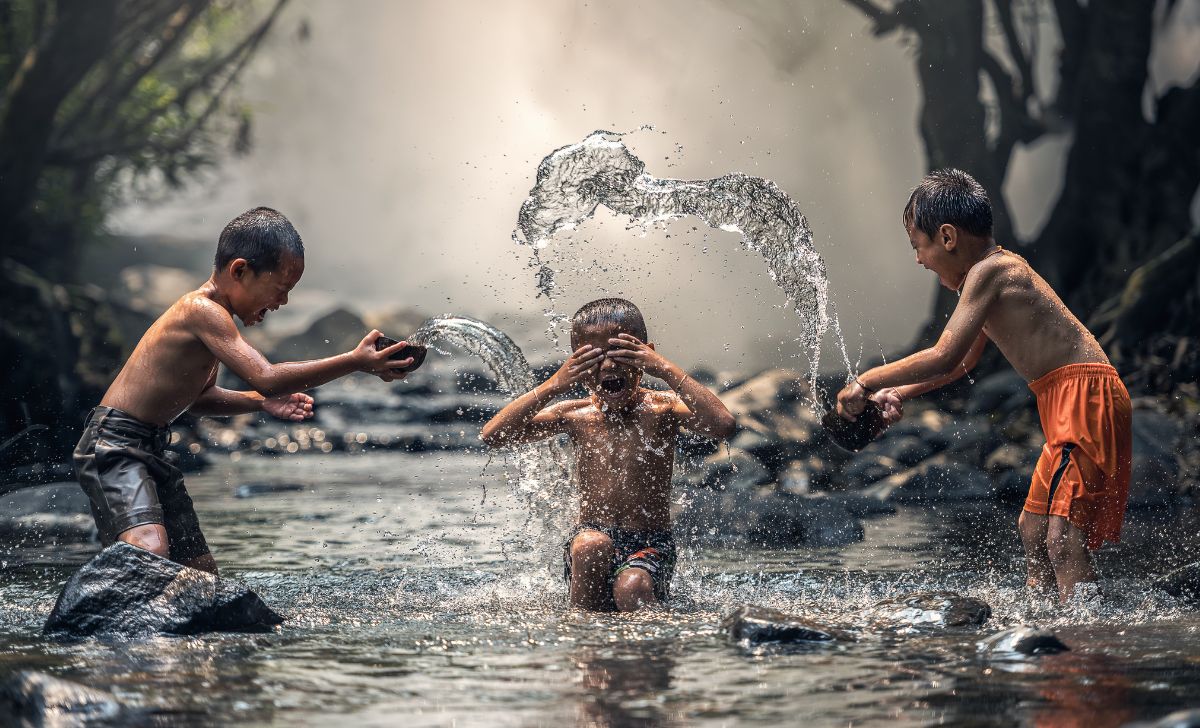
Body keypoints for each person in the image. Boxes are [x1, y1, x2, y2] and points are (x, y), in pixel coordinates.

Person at [835, 169, 1131, 603]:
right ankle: (1044, 625)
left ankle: (1087, 647)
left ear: (948, 237)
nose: (918, 259)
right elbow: (960, 366)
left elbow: (943, 354)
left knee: (1063, 538)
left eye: (919, 246)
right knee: (1033, 529)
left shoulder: (993, 270)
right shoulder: (987, 278)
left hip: (1085, 399)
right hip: (1067, 400)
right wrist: (899, 393)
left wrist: (864, 382)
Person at [73, 207, 414, 575]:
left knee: (201, 574)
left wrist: (260, 403)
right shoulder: (200, 310)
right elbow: (266, 375)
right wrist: (354, 360)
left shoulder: (215, 321)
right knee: (150, 548)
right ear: (240, 271)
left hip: (151, 448)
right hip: (115, 445)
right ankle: (96, 615)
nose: (282, 303)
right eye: (280, 290)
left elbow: (201, 400)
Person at [481, 298, 736, 611]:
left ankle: (642, 650)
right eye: (592, 357)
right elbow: (494, 435)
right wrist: (555, 384)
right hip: (588, 541)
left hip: (651, 544)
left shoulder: (663, 409)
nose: (608, 366)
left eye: (619, 352)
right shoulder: (574, 414)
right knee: (592, 545)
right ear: (575, 363)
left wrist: (665, 368)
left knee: (633, 587)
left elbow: (722, 425)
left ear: (645, 354)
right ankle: (581, 637)